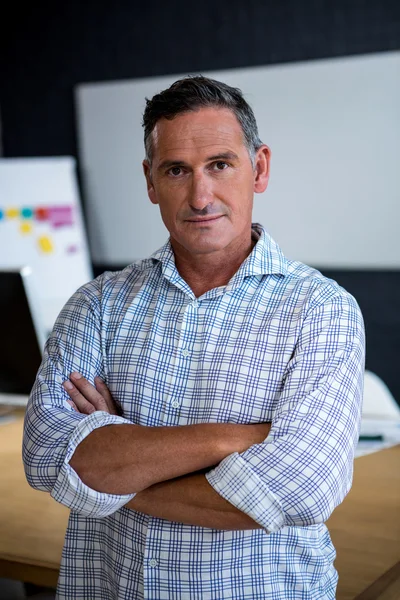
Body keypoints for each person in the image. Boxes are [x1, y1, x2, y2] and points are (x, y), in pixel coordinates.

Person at [23, 75, 365, 599]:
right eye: (177, 170)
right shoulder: (96, 304)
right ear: (150, 180)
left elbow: (301, 488)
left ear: (260, 167)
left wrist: (112, 459)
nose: (201, 195)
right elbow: (47, 457)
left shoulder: (321, 310)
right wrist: (234, 437)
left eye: (220, 164)